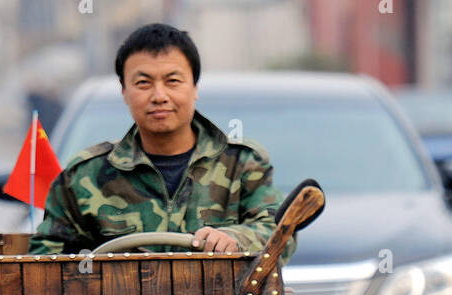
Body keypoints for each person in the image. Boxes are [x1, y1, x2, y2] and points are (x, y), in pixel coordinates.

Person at [27, 22, 294, 263]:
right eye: (143, 83)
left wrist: (236, 238)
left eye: (173, 81)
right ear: (124, 92)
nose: (159, 96)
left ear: (194, 87)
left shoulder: (243, 163)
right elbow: (46, 259)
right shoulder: (85, 175)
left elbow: (279, 233)